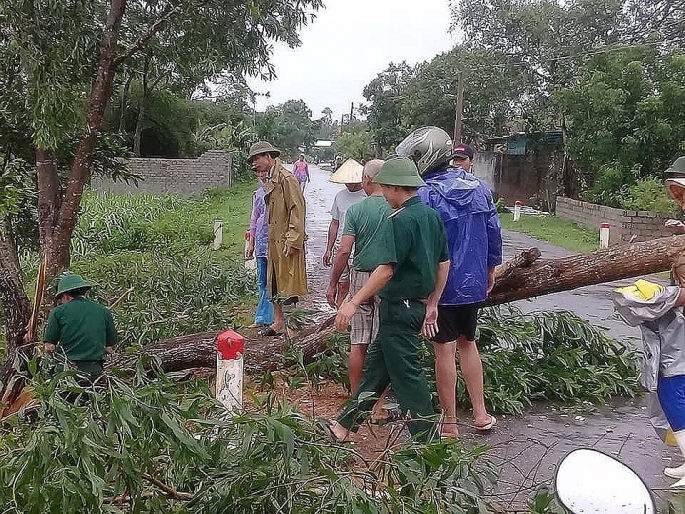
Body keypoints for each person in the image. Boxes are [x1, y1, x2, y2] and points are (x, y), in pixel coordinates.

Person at [329, 158, 451, 443]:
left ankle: (428, 444)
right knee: (376, 370)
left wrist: (353, 301)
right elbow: (444, 264)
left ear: (397, 187)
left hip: (399, 307)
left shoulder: (400, 221)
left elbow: (386, 269)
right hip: (417, 306)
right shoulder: (431, 216)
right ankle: (344, 426)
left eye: (385, 188)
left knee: (408, 378)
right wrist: (432, 304)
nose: (382, 194)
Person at [396, 126, 502, 438]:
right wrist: (490, 268)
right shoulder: (478, 187)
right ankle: (481, 414)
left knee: (444, 350)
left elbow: (419, 244)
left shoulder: (425, 194)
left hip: (439, 287)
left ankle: (450, 423)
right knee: (469, 345)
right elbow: (493, 231)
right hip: (472, 284)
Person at [326, 159, 390, 393]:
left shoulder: (356, 210)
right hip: (387, 278)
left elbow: (344, 250)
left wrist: (333, 283)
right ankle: (378, 404)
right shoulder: (396, 208)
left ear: (368, 180)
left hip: (361, 277)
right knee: (381, 342)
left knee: (358, 342)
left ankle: (356, 399)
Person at [248, 141, 308, 336]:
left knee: (289, 284)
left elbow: (297, 209)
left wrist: (293, 239)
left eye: (257, 158)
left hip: (286, 241)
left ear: (268, 157)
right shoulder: (271, 179)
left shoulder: (286, 178)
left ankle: (292, 328)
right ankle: (278, 322)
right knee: (273, 282)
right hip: (273, 241)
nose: (254, 163)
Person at [43, 274, 115, 378]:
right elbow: (109, 349)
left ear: (66, 295)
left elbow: (49, 347)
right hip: (94, 372)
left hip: (66, 372)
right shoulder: (104, 311)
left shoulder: (58, 312)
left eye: (61, 299)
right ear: (84, 292)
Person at [323, 159, 367, 307]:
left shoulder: (367, 197)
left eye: (352, 182)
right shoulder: (340, 196)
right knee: (342, 283)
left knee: (356, 284)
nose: (349, 185)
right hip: (340, 246)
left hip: (359, 247)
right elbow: (335, 223)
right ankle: (339, 315)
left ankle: (350, 315)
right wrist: (329, 248)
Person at [246, 167, 274, 328]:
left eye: (264, 172)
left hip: (274, 244)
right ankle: (262, 317)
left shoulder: (277, 192)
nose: (261, 175)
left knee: (274, 281)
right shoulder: (258, 194)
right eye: (258, 172)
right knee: (262, 280)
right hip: (261, 245)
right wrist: (251, 242)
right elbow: (254, 218)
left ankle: (271, 317)